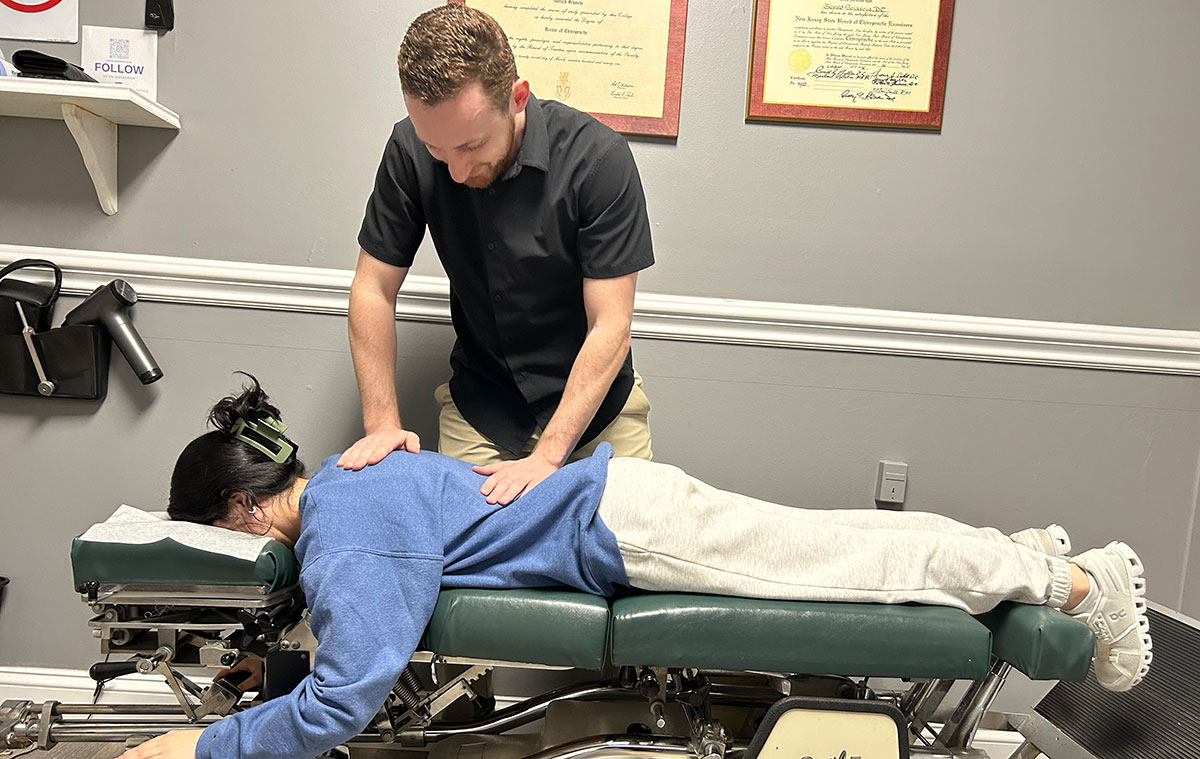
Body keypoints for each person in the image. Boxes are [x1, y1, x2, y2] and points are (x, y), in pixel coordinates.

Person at [121, 377, 1152, 759]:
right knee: (838, 543)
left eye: (221, 537)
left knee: (845, 561)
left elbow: (351, 698)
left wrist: (197, 751)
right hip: (619, 515)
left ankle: (1073, 586)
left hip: (625, 531)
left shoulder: (346, 525)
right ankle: (1025, 560)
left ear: (243, 508)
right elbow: (350, 649)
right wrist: (281, 676)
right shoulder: (348, 491)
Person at [342, 4, 655, 506]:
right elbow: (372, 288)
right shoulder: (408, 149)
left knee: (625, 549)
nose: (458, 173)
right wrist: (382, 427)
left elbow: (611, 327)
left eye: (472, 145)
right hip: (484, 407)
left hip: (596, 410)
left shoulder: (599, 160)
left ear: (517, 97)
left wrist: (549, 456)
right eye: (438, 152)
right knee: (463, 553)